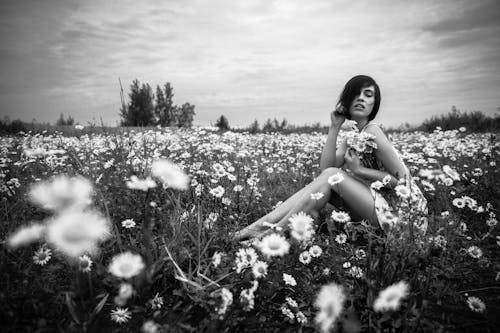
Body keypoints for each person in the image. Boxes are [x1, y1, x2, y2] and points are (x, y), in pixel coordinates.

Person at [233, 75, 428, 241]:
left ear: (373, 105)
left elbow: (402, 183)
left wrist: (361, 171)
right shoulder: (353, 135)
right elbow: (325, 170)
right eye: (356, 94)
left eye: (368, 95)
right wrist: (334, 126)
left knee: (332, 176)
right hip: (378, 209)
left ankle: (267, 235)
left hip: (405, 219)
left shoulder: (373, 131)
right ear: (347, 101)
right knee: (325, 181)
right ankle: (257, 228)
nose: (361, 99)